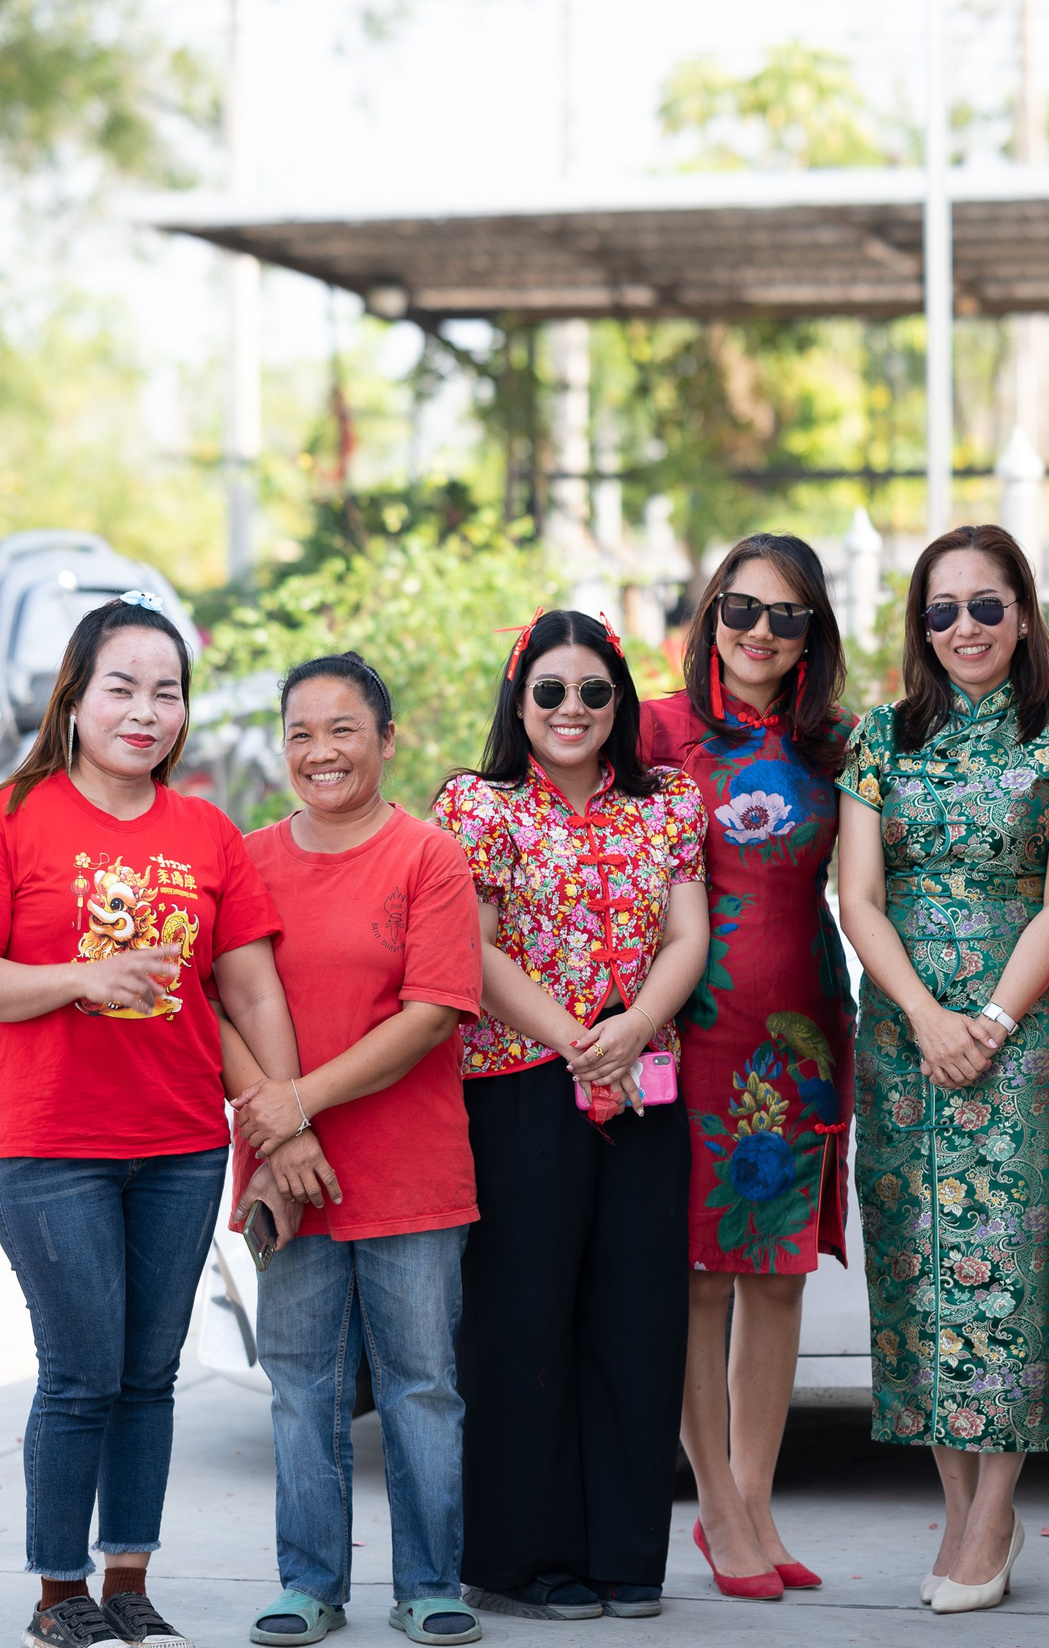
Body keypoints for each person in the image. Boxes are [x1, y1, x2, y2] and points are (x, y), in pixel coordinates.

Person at [0, 594, 305, 1648]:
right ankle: (58, 1592)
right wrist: (80, 977)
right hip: (50, 1139)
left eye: (168, 691)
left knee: (149, 1374)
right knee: (80, 1369)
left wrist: (280, 1131)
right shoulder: (9, 817)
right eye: (122, 686)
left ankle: (128, 1579)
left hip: (180, 1142)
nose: (145, 711)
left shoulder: (206, 832)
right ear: (75, 696)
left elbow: (248, 995)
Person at [835, 524, 1049, 1617]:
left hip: (1020, 1039)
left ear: (1023, 615)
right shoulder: (878, 737)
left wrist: (987, 1020)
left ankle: (995, 1515)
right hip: (901, 1037)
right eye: (941, 610)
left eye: (985, 606)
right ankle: (957, 1512)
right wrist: (923, 1014)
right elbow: (858, 895)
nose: (964, 629)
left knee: (1012, 1272)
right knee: (916, 1272)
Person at [431, 609, 712, 1623]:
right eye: (549, 690)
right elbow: (478, 946)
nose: (572, 710)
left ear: (619, 702)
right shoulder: (479, 805)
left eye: (594, 691)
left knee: (635, 1322)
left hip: (645, 1086)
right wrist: (578, 1038)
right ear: (520, 699)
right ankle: (521, 1560)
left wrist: (632, 1026)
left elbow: (688, 932)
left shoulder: (670, 802)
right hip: (519, 1085)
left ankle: (627, 1556)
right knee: (523, 1317)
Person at [220, 654, 487, 1648]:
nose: (320, 751)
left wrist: (297, 1105)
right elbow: (214, 1005)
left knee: (421, 1387)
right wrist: (278, 1127)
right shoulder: (244, 860)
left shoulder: (428, 857)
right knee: (301, 1385)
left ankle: (428, 1583)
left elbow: (429, 1017)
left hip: (412, 1172)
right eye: (300, 732)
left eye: (342, 730)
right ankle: (309, 1585)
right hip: (287, 1179)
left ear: (385, 739)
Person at [638, 534, 855, 1602]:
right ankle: (715, 1503)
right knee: (697, 1275)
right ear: (709, 611)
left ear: (813, 631)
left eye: (786, 616)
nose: (760, 634)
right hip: (687, 1026)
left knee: (776, 1276)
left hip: (805, 1026)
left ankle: (758, 1499)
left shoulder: (838, 745)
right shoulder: (653, 731)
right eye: (741, 610)